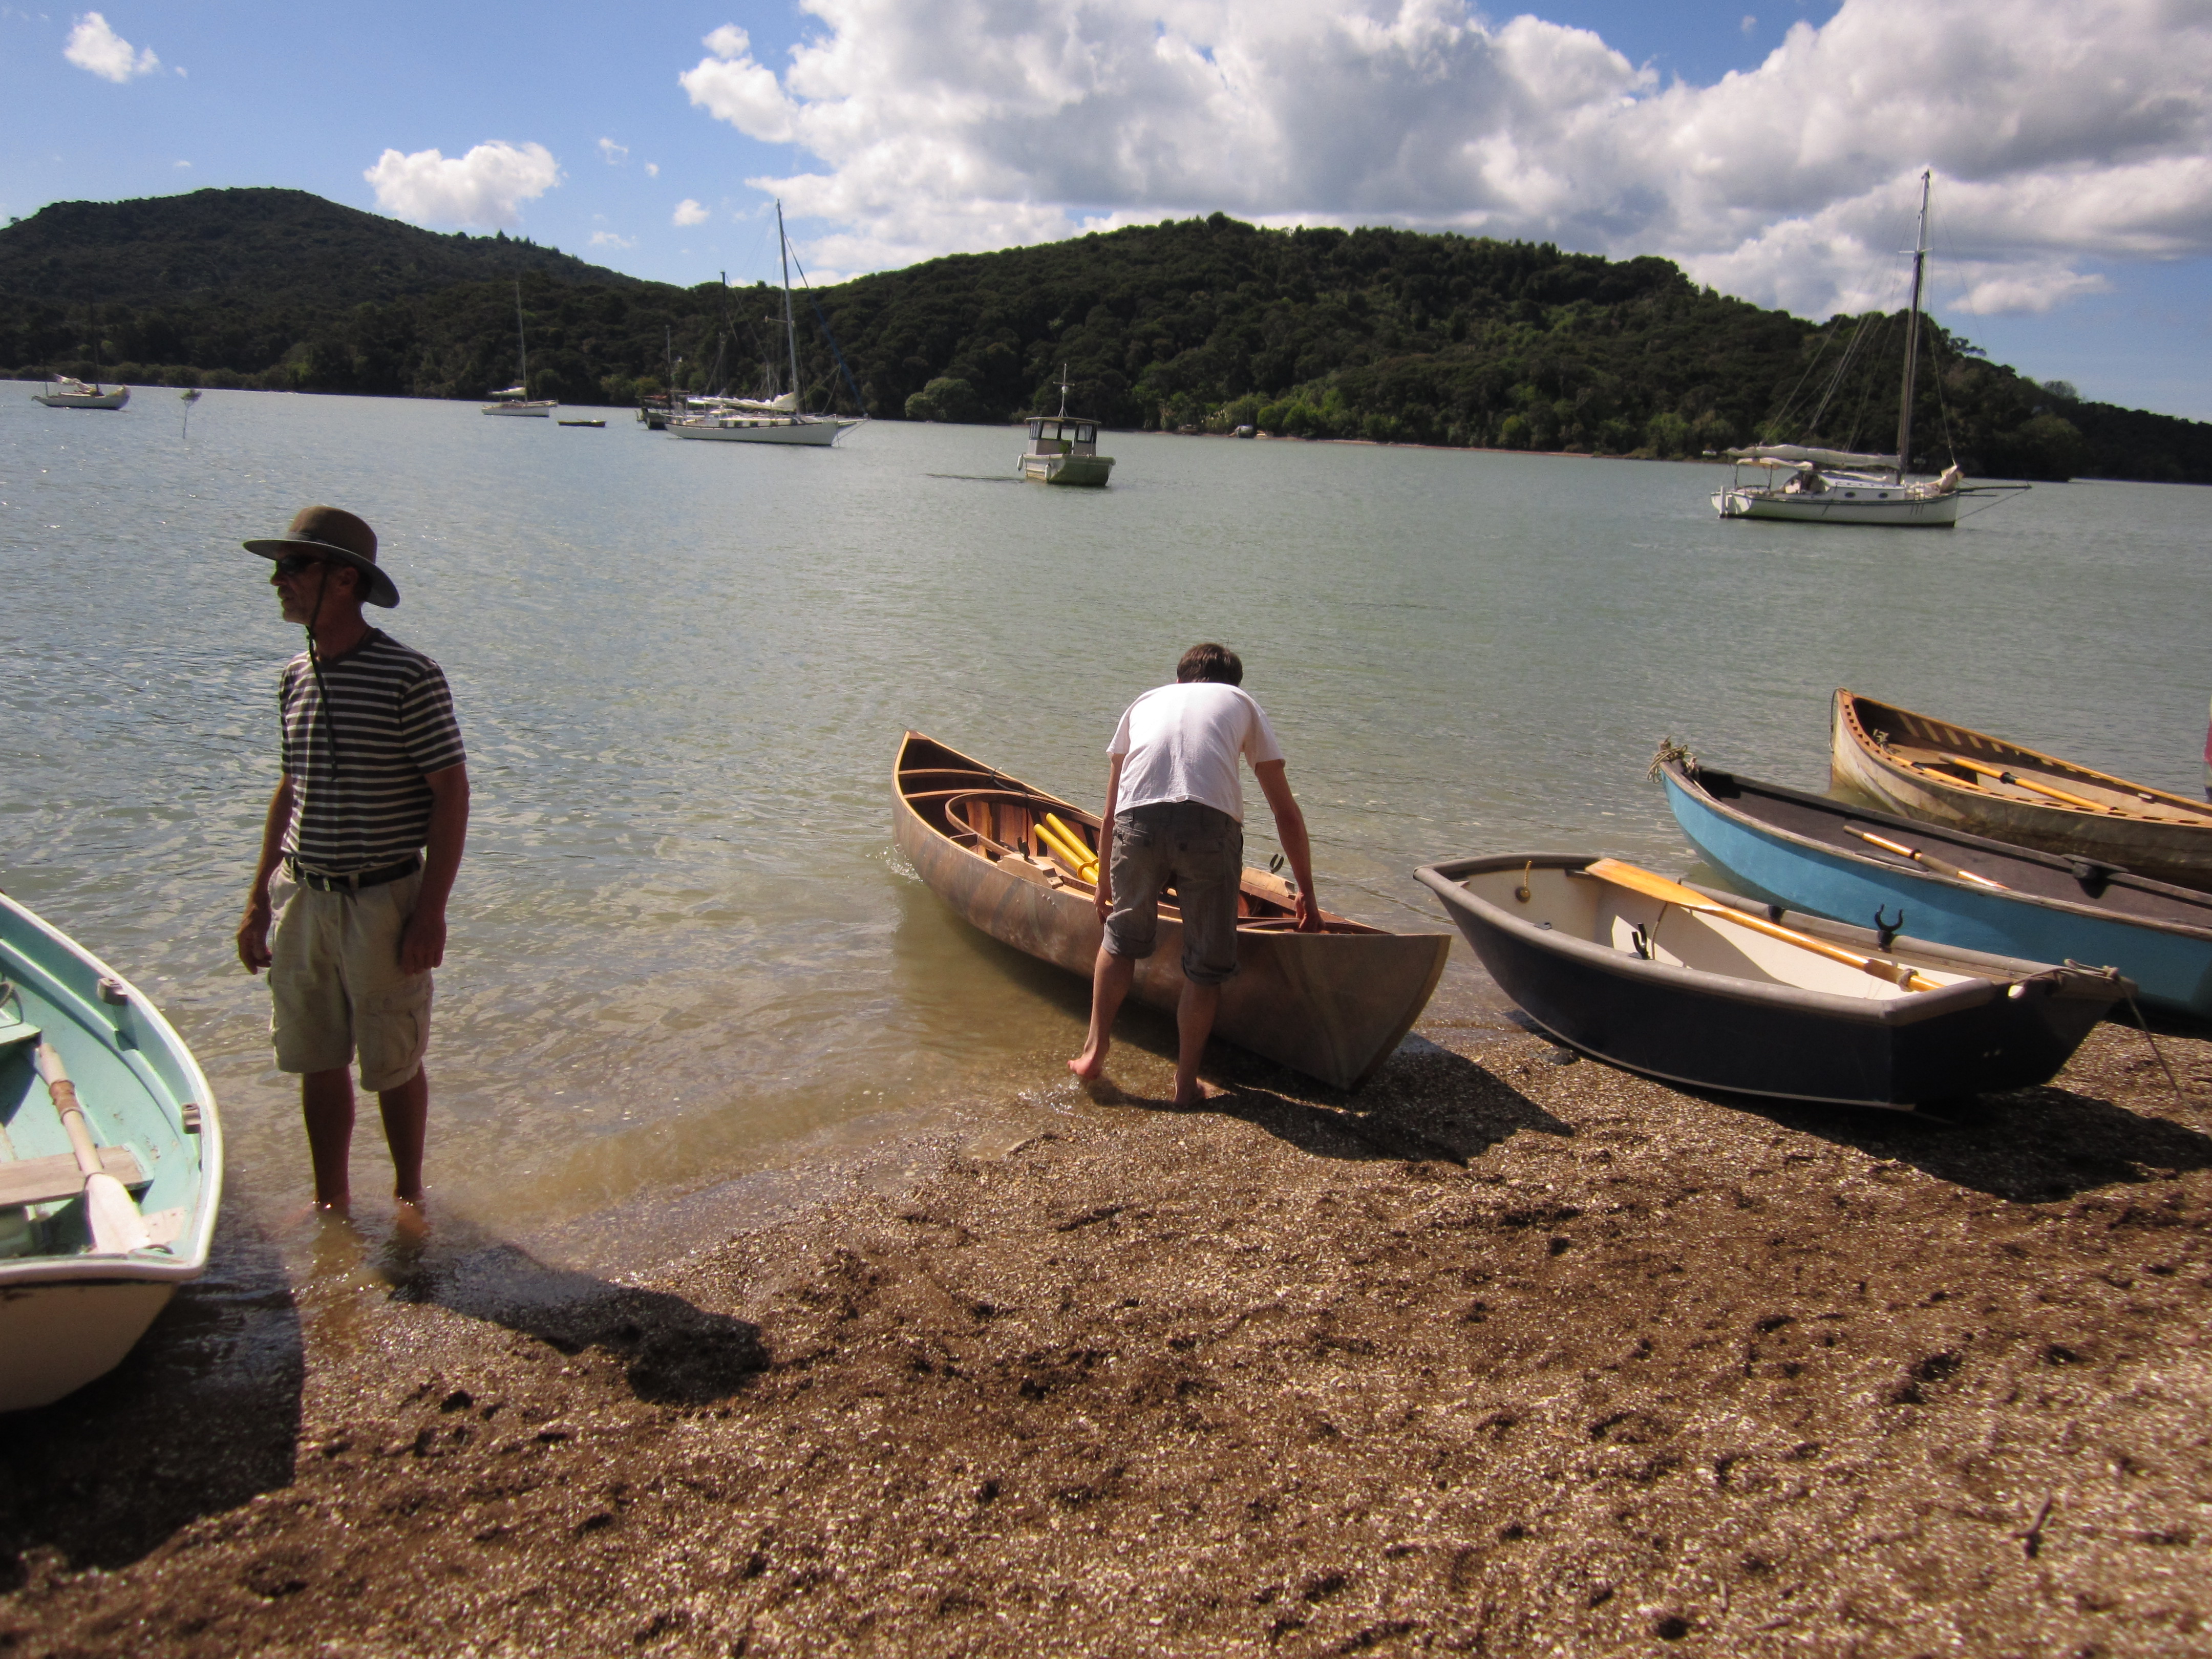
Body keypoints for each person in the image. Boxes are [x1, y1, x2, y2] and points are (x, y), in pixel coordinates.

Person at [234, 505, 469, 1226]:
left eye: (292, 567)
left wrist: (429, 910)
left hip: (383, 898)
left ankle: (408, 1196)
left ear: (343, 580)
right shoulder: (293, 677)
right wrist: (256, 901)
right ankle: (331, 1202)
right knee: (314, 1055)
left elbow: (451, 792)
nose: (277, 582)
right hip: (306, 895)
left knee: (393, 1060)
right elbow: (290, 784)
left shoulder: (409, 675)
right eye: (278, 567)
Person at [1069, 643, 1320, 1107]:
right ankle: (1185, 1084)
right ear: (1232, 684)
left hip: (1135, 825)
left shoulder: (1144, 702)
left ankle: (1092, 1055)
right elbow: (1285, 811)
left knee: (1121, 940)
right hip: (1209, 829)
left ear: (1180, 680)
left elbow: (1109, 814)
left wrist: (1103, 883)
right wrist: (1306, 892)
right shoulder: (1241, 704)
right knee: (1205, 964)